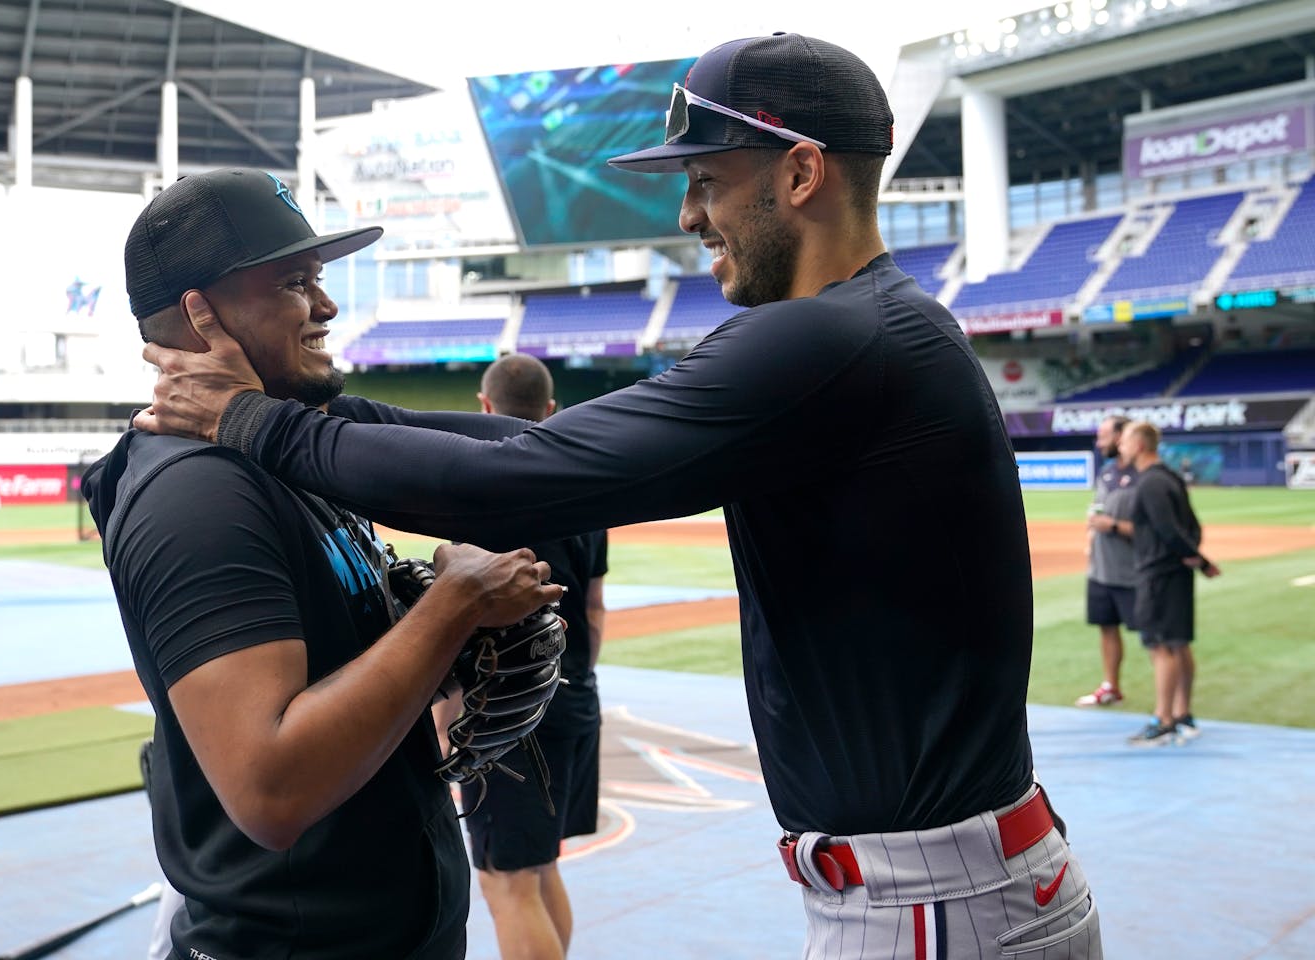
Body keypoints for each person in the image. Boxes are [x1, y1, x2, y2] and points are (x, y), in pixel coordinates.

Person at [135, 34, 1102, 958]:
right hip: (947, 887)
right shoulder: (872, 331)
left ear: (801, 176)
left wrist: (256, 423)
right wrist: (311, 405)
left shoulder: (829, 339)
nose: (688, 216)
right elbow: (538, 445)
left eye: (707, 181)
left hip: (931, 902)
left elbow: (525, 480)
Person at [83, 167, 563, 960]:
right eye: (296, 283)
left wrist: (425, 651)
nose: (328, 305)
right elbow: (272, 788)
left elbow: (522, 454)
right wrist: (451, 610)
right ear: (202, 316)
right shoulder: (195, 495)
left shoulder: (275, 444)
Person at [435, 352, 608, 960]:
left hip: (509, 716)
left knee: (507, 881)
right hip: (575, 699)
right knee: (538, 869)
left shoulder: (482, 485)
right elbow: (592, 608)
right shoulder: (582, 488)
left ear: (483, 407)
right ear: (551, 410)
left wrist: (448, 716)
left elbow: (465, 620)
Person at [1117, 420, 1221, 747]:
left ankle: (1163, 720)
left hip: (1157, 574)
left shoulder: (1149, 483)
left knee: (1161, 646)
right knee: (1178, 644)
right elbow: (1192, 526)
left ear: (1139, 445)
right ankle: (1182, 714)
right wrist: (1194, 559)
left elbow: (1168, 529)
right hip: (1175, 573)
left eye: (1124, 442)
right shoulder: (1171, 478)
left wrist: (1199, 560)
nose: (1120, 447)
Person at [1076, 415, 1137, 707]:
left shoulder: (1146, 476)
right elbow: (1095, 512)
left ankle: (1174, 709)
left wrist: (1110, 525)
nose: (1099, 443)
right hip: (1101, 570)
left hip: (1134, 573)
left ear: (1122, 437)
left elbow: (1153, 530)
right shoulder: (1108, 473)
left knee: (1159, 640)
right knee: (1106, 626)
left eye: (1103, 437)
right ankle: (1111, 686)